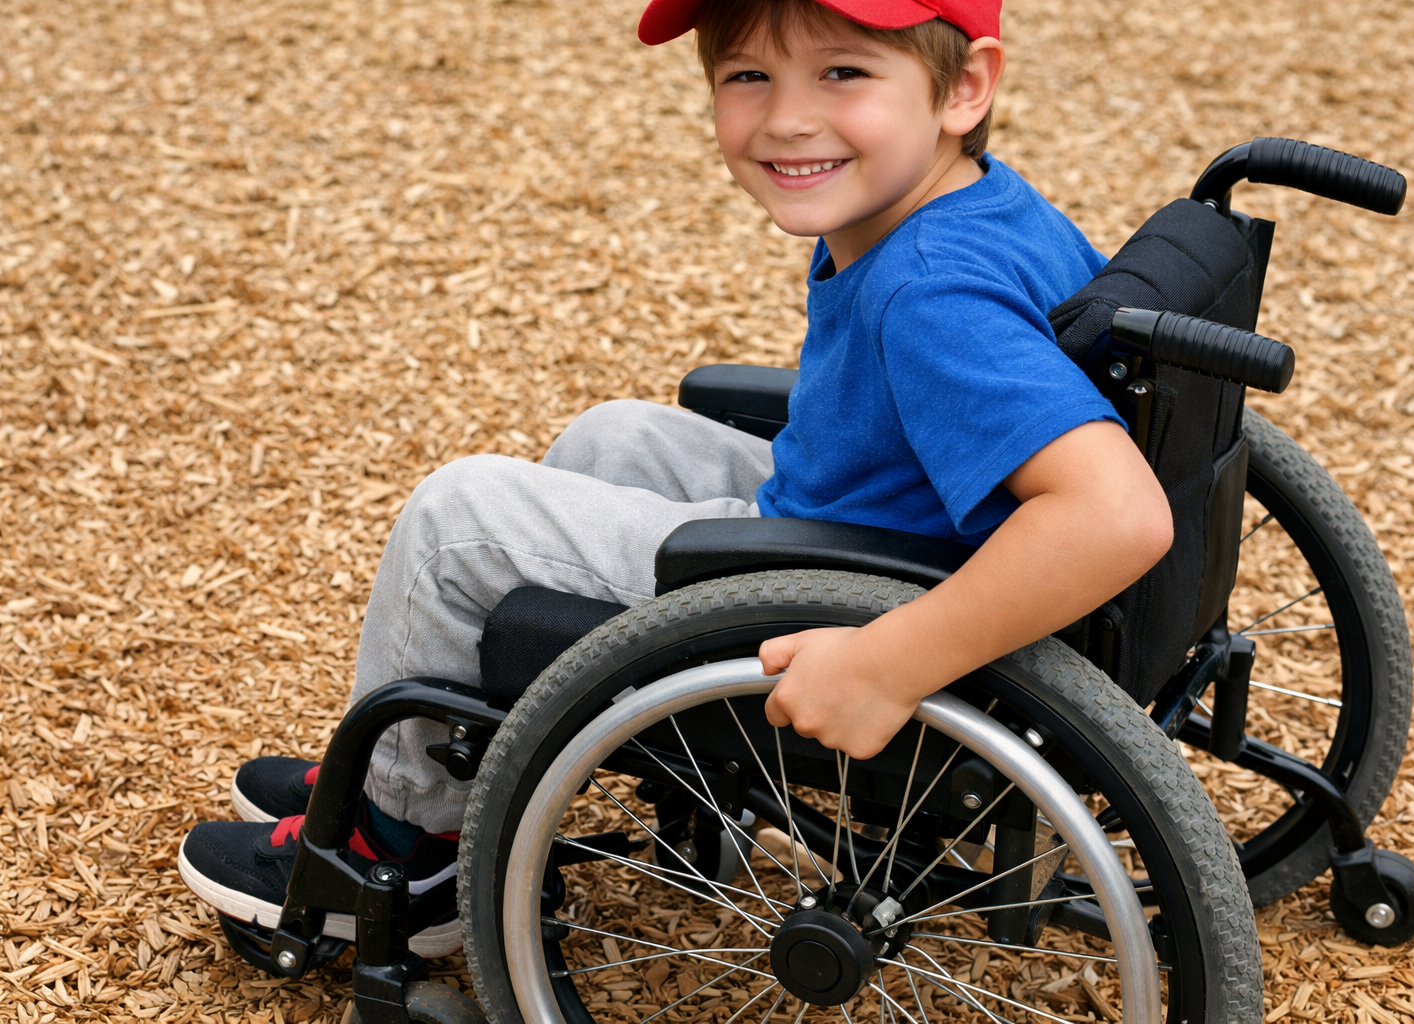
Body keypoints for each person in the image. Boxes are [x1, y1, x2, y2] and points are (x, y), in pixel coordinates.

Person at [177, 0, 1173, 957]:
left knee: (458, 521)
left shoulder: (931, 292)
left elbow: (1115, 514)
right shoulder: (979, 209)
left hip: (861, 603)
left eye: (842, 71)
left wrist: (888, 662)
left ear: (965, 87)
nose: (787, 116)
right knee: (613, 439)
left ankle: (401, 848)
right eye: (749, 74)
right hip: (889, 528)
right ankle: (458, 755)